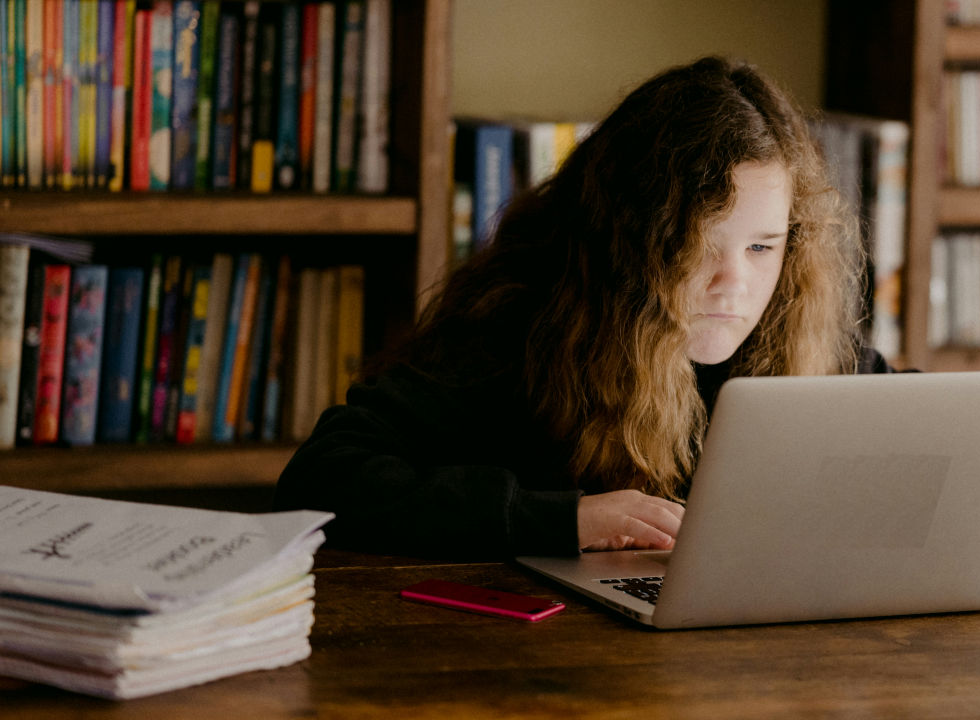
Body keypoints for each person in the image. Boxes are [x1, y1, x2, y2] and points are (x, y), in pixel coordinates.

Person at [273, 56, 899, 560]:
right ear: (630, 241)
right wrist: (559, 519)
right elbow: (323, 478)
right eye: (696, 244)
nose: (732, 285)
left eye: (763, 246)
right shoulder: (517, 327)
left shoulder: (796, 330)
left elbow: (932, 427)